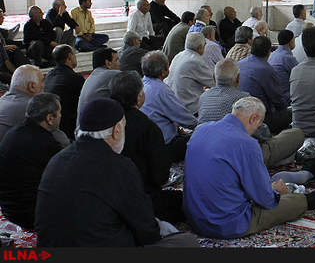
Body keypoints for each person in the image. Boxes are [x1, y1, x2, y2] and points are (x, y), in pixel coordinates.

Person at [35, 97, 198, 247]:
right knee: (187, 242)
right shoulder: (120, 166)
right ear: (117, 130)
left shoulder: (57, 160)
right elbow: (147, 230)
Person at [184, 97, 315, 239]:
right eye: (259, 125)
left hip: (194, 219)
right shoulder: (246, 143)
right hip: (225, 224)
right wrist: (276, 192)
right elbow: (265, 200)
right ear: (253, 119)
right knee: (292, 202)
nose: (257, 129)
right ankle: (305, 201)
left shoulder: (200, 130)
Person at [198, 60, 304, 168]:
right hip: (241, 157)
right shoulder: (243, 99)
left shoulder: (203, 98)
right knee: (296, 133)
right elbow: (263, 134)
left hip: (207, 154)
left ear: (214, 77)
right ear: (238, 78)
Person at [109, 71, 182, 223]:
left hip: (108, 198)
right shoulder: (147, 127)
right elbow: (159, 176)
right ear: (138, 97)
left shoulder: (105, 120)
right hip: (140, 198)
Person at [0, 93, 64, 229]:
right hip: (30, 215)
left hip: (7, 208)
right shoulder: (46, 143)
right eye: (59, 113)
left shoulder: (13, 132)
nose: (60, 116)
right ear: (50, 118)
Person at [140, 51, 197, 163]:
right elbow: (184, 118)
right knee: (202, 138)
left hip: (149, 145)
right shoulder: (160, 90)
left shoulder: (142, 84)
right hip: (164, 147)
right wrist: (201, 126)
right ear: (163, 72)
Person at [238, 36, 291, 134]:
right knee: (291, 113)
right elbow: (278, 101)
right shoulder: (267, 70)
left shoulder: (239, 64)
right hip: (260, 119)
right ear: (268, 52)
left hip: (240, 115)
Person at [165, 32, 215, 115]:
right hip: (189, 108)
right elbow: (215, 82)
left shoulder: (179, 55)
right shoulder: (195, 60)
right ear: (200, 48)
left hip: (173, 103)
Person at [44, 45, 85, 141]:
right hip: (67, 125)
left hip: (49, 121)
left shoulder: (49, 75)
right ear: (70, 56)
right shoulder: (75, 78)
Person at [77, 47, 120, 114]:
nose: (119, 63)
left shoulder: (91, 77)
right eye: (116, 60)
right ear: (108, 63)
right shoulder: (111, 74)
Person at [268, 30, 299, 103]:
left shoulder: (272, 54)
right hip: (284, 97)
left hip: (273, 94)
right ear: (290, 42)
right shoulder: (288, 58)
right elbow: (300, 76)